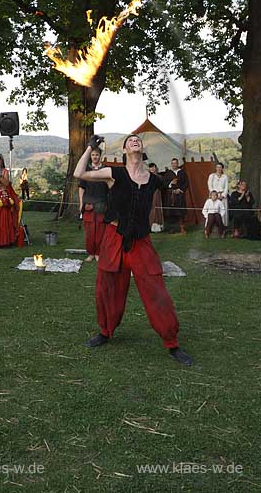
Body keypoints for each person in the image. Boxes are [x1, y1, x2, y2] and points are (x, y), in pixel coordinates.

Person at [73, 134, 194, 366]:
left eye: (138, 140)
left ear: (143, 149)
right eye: (130, 140)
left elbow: (175, 185)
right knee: (107, 290)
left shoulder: (153, 179)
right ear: (125, 150)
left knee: (156, 291)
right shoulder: (114, 173)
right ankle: (105, 332)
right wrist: (89, 148)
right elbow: (79, 173)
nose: (135, 141)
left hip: (140, 242)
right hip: (114, 239)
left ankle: (172, 343)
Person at [78, 148, 109, 262]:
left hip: (101, 204)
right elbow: (81, 188)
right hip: (88, 205)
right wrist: (81, 203)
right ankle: (91, 253)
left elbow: (110, 188)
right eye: (93, 155)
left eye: (96, 155)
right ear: (90, 156)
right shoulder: (86, 170)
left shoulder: (106, 170)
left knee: (101, 231)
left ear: (100, 156)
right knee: (90, 232)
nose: (95, 157)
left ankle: (99, 253)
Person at [163, 158, 189, 232]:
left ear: (178, 164)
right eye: (172, 163)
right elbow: (164, 184)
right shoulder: (168, 173)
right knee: (171, 212)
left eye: (175, 163)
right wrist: (171, 183)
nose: (174, 165)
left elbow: (186, 183)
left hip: (180, 195)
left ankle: (182, 228)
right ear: (171, 164)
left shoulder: (182, 172)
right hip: (171, 195)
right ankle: (172, 228)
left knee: (181, 211)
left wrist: (180, 190)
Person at [207, 162, 229, 227]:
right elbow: (210, 186)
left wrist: (223, 195)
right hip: (214, 197)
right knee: (214, 211)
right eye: (217, 167)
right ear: (215, 168)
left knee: (223, 211)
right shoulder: (212, 176)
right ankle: (212, 227)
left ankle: (223, 226)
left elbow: (226, 187)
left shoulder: (225, 177)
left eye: (220, 167)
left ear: (222, 168)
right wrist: (214, 195)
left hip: (222, 197)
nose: (219, 169)